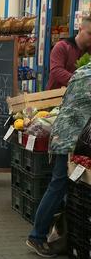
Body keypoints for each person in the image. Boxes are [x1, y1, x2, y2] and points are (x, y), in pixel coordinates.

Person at [27, 63, 91, 257]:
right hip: (72, 138)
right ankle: (36, 237)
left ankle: (61, 235)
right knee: (58, 186)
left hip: (62, 134)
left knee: (66, 189)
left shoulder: (83, 70)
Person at [46, 16, 91, 90]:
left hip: (79, 97)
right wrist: (81, 80)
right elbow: (56, 71)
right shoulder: (61, 47)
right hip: (55, 96)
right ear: (80, 30)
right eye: (90, 33)